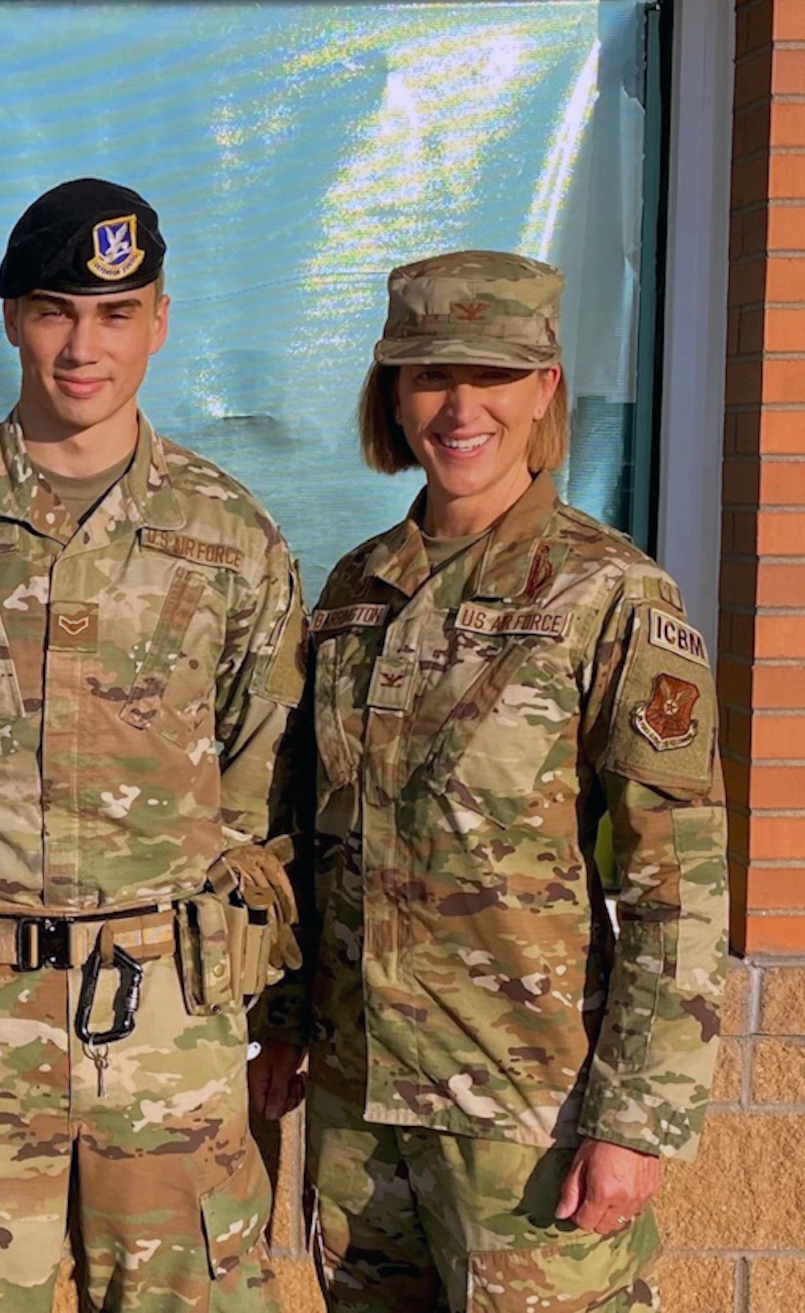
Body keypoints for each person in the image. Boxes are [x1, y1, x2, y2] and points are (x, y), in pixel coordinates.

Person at [0, 177, 306, 1313]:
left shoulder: (228, 535)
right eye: (53, 310)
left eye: (116, 312)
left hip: (169, 1013)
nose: (83, 346)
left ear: (159, 321)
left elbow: (263, 773)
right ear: (12, 319)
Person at [258, 251, 727, 1312]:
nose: (458, 407)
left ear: (542, 390)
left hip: (524, 1110)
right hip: (359, 1104)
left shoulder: (605, 592)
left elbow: (678, 877)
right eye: (427, 376)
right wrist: (283, 1020)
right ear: (392, 394)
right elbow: (306, 830)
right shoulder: (353, 590)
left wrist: (634, 1119)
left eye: (492, 374)